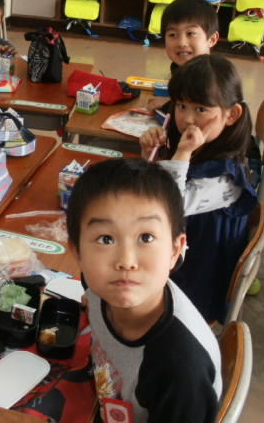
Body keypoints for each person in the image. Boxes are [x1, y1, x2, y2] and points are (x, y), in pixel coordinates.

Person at [66, 158, 221, 422]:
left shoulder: (179, 370)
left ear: (175, 250)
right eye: (106, 239)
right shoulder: (98, 286)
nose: (126, 261)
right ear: (77, 252)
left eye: (146, 237)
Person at [140, 54, 258, 323]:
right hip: (178, 255)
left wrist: (181, 154)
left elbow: (167, 207)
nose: (187, 118)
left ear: (231, 115)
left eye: (201, 109)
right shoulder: (204, 146)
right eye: (181, 106)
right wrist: (151, 156)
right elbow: (156, 191)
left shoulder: (225, 177)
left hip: (194, 283)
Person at [147, 0, 219, 111]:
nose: (181, 43)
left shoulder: (212, 78)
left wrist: (169, 104)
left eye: (191, 33)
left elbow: (201, 112)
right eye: (173, 35)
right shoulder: (178, 67)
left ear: (212, 39)